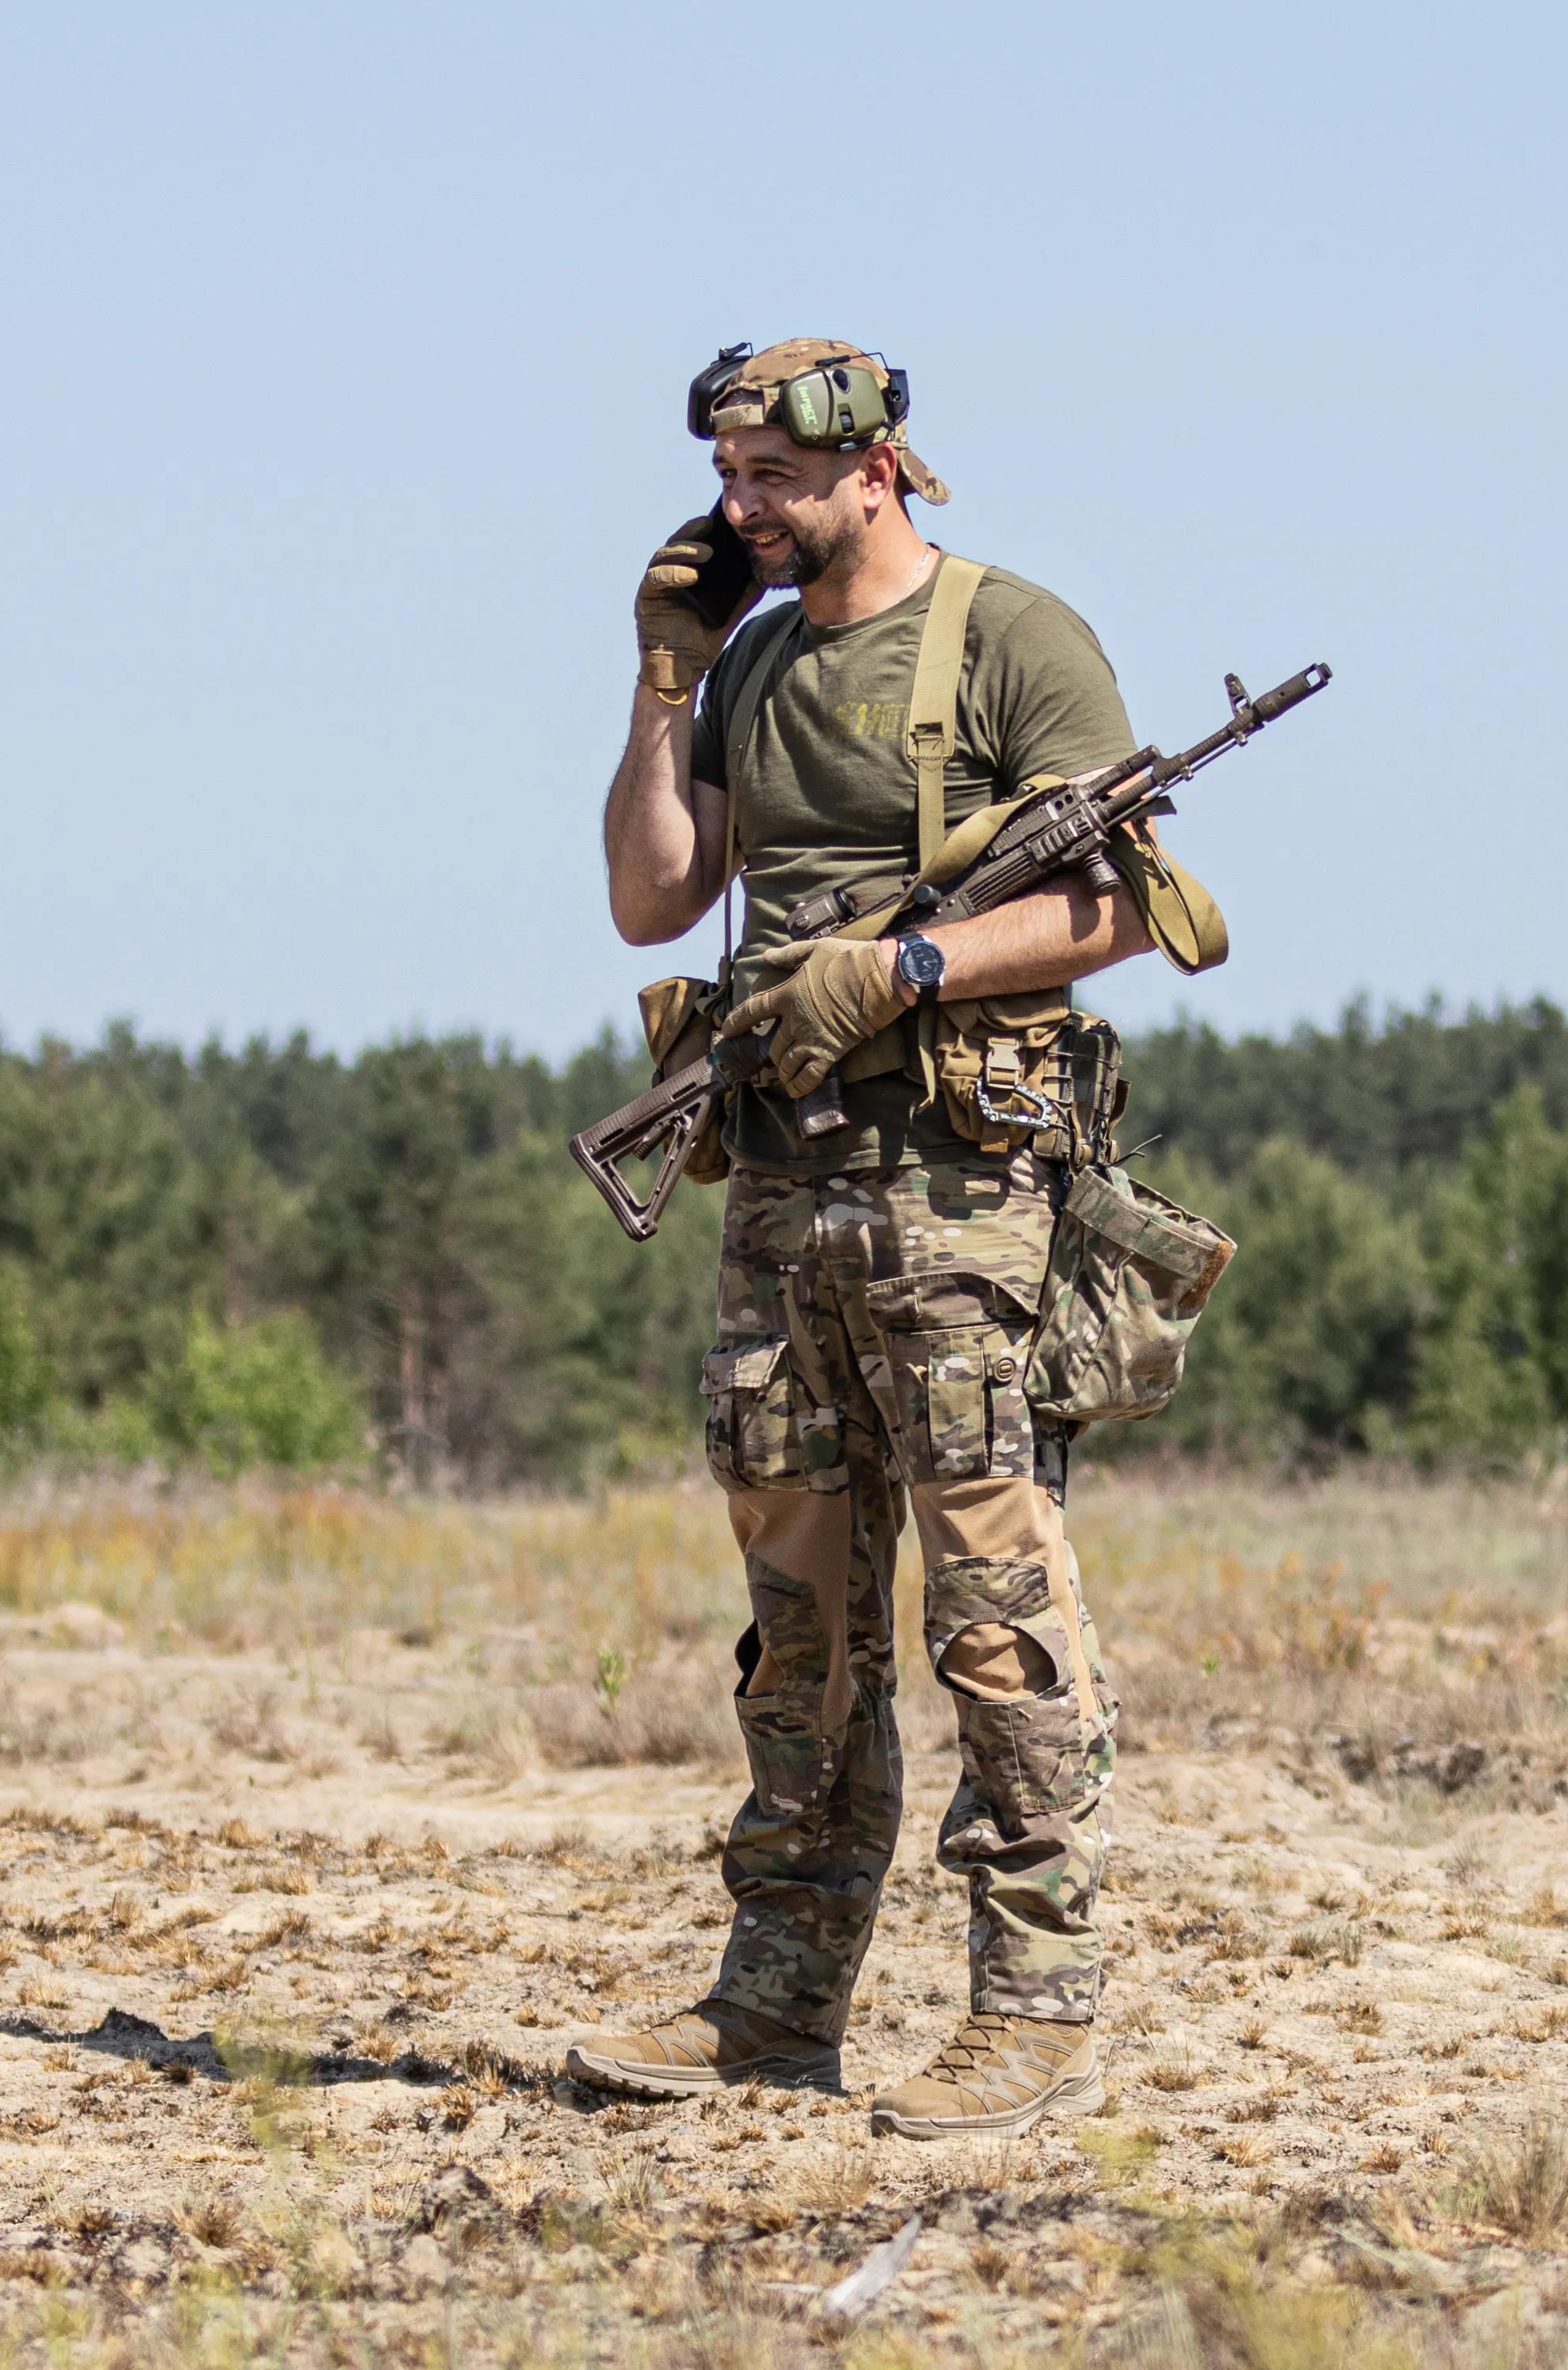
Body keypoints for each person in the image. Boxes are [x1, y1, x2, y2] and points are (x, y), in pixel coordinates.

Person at [572, 338, 1188, 2140]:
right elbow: (647, 894)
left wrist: (906, 962)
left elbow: (1118, 902)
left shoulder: (1013, 641)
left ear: (882, 468)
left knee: (996, 1597)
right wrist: (658, 680)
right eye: (727, 475)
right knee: (800, 1614)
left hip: (960, 1195)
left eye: (772, 477)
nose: (738, 509)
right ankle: (775, 1999)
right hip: (780, 1189)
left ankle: (1038, 2001)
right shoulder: (752, 651)